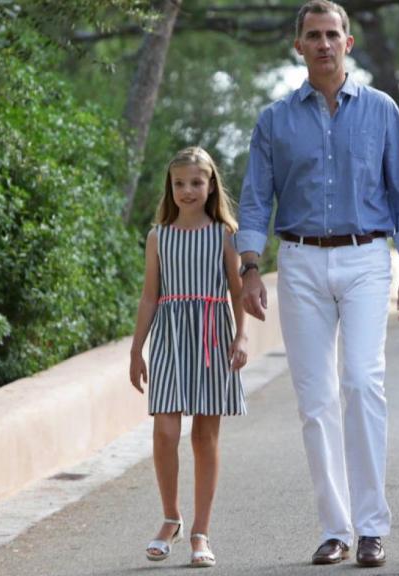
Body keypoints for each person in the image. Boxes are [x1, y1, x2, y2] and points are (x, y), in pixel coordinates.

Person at [236, 0, 399, 568]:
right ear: (298, 46)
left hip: (366, 257)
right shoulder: (274, 120)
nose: (323, 44)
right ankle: (335, 528)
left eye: (332, 34)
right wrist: (250, 267)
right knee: (316, 399)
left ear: (348, 43)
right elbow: (255, 198)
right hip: (299, 261)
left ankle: (372, 528)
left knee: (363, 383)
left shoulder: (381, 109)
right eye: (313, 36)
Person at [129, 146, 249, 568]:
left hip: (213, 338)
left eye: (196, 182)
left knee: (203, 437)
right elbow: (149, 297)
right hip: (169, 339)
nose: (187, 190)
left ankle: (200, 532)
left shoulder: (225, 234)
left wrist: (242, 337)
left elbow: (238, 292)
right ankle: (171, 518)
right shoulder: (158, 237)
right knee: (164, 432)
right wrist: (136, 350)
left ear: (211, 185)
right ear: (171, 187)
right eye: (179, 183)